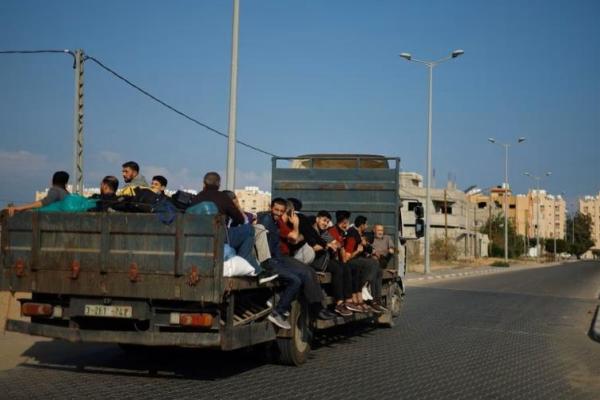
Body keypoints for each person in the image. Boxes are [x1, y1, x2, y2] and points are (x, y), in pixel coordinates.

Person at [258, 198, 336, 329]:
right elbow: (294, 238)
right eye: (277, 210)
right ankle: (316, 309)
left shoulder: (278, 223)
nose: (280, 214)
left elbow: (296, 238)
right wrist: (295, 225)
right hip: (277, 258)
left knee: (307, 271)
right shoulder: (271, 221)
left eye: (282, 211)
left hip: (281, 257)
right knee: (305, 273)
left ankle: (317, 307)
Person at [191, 172, 275, 284]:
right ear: (219, 184)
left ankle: (250, 264)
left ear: (204, 183)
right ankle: (246, 260)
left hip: (199, 239)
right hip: (220, 237)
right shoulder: (222, 197)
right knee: (250, 230)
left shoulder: (196, 198)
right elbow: (241, 220)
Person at [304, 210, 353, 316]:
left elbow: (336, 244)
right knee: (338, 269)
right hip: (314, 262)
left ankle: (348, 301)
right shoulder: (311, 231)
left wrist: (336, 244)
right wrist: (327, 246)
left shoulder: (324, 233)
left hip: (324, 260)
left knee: (345, 267)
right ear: (317, 219)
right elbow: (312, 248)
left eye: (327, 222)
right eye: (323, 220)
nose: (325, 223)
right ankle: (339, 303)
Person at [327, 210, 366, 313]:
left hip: (339, 259)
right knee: (342, 268)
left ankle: (353, 299)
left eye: (347, 222)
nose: (345, 225)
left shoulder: (343, 233)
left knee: (353, 268)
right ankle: (341, 302)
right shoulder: (333, 231)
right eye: (343, 223)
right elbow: (341, 254)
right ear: (338, 222)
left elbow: (343, 256)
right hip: (329, 259)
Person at [346, 216, 386, 313]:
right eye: (366, 224)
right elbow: (348, 254)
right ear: (361, 225)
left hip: (360, 259)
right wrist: (358, 250)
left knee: (379, 271)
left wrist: (372, 251)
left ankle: (376, 300)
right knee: (373, 263)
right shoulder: (352, 233)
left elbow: (366, 247)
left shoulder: (361, 234)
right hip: (353, 260)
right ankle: (364, 286)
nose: (367, 226)